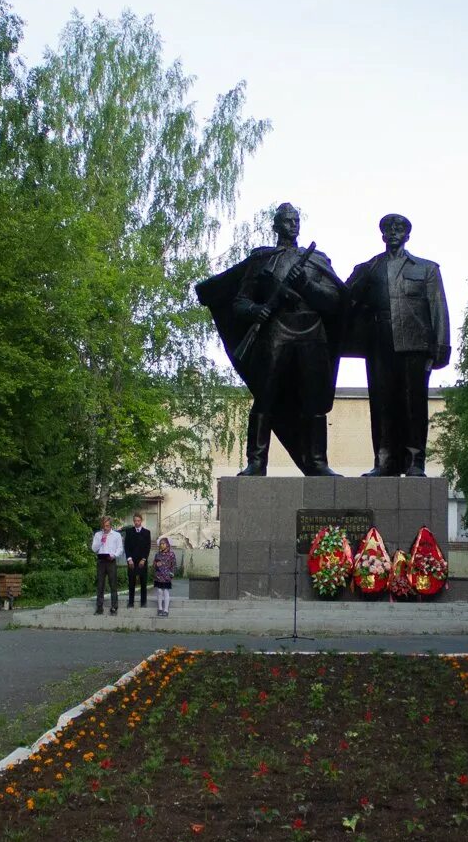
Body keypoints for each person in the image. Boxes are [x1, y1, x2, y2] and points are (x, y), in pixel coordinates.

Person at [196, 202, 345, 475]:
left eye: (296, 220)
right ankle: (256, 461)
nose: (293, 225)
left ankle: (317, 462)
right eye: (287, 221)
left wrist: (306, 285)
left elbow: (334, 302)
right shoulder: (262, 259)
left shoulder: (317, 259)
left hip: (312, 334)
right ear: (276, 225)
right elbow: (240, 302)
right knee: (265, 397)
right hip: (275, 333)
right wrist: (257, 309)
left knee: (314, 399)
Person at [343, 213, 451, 476]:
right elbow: (343, 301)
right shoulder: (368, 269)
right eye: (388, 229)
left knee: (414, 405)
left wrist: (441, 347)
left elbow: (438, 308)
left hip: (415, 346)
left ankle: (415, 461)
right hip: (379, 346)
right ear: (382, 235)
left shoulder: (426, 268)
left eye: (399, 228)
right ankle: (384, 461)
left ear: (407, 235)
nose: (393, 232)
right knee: (382, 404)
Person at [91, 516, 125, 614]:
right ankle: (99, 608)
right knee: (100, 585)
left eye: (108, 525)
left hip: (111, 561)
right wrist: (102, 540)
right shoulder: (98, 534)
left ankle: (114, 607)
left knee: (113, 585)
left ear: (110, 525)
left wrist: (114, 555)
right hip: (101, 561)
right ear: (102, 525)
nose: (106, 528)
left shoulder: (116, 535)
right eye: (104, 525)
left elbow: (120, 548)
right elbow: (94, 549)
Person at [123, 512, 153, 609]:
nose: (137, 522)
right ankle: (131, 602)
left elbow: (147, 547)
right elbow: (126, 547)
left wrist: (144, 559)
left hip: (142, 561)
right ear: (133, 521)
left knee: (143, 582)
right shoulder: (129, 531)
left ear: (141, 521)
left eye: (138, 521)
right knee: (131, 582)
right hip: (132, 561)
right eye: (135, 521)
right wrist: (129, 559)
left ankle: (143, 602)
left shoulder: (147, 532)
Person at [152, 536, 177, 616]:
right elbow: (154, 564)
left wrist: (171, 574)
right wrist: (156, 564)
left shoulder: (171, 554)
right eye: (160, 544)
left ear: (167, 544)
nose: (161, 545)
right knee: (159, 591)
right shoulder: (157, 554)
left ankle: (166, 610)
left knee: (166, 591)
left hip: (167, 576)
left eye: (163, 544)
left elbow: (174, 565)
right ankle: (159, 608)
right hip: (158, 576)